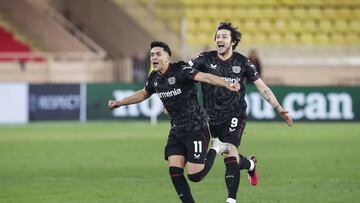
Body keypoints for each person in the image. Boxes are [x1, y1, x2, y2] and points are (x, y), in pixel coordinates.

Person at [108, 41, 241, 203]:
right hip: (177, 131)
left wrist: (227, 84)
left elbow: (205, 77)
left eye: (158, 54)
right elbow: (143, 94)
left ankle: (216, 147)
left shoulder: (180, 69)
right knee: (174, 170)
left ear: (167, 57)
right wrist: (120, 102)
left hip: (196, 128)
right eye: (152, 55)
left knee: (195, 176)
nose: (154, 58)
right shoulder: (154, 78)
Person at [187, 22, 293, 203]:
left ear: (232, 42)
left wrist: (278, 108)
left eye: (224, 37)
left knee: (230, 150)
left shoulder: (242, 62)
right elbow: (184, 72)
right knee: (230, 155)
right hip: (211, 117)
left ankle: (231, 199)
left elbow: (262, 87)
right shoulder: (205, 58)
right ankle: (250, 164)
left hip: (235, 114)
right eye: (217, 36)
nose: (219, 39)